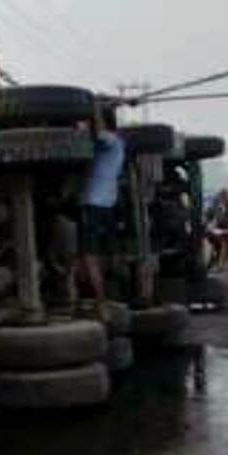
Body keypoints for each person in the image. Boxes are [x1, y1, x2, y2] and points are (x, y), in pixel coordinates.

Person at [77, 108, 125, 322]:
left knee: (88, 257)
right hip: (106, 203)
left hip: (93, 202)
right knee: (93, 256)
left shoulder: (109, 139)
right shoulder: (118, 142)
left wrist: (89, 117)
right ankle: (93, 298)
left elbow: (96, 134)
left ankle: (101, 305)